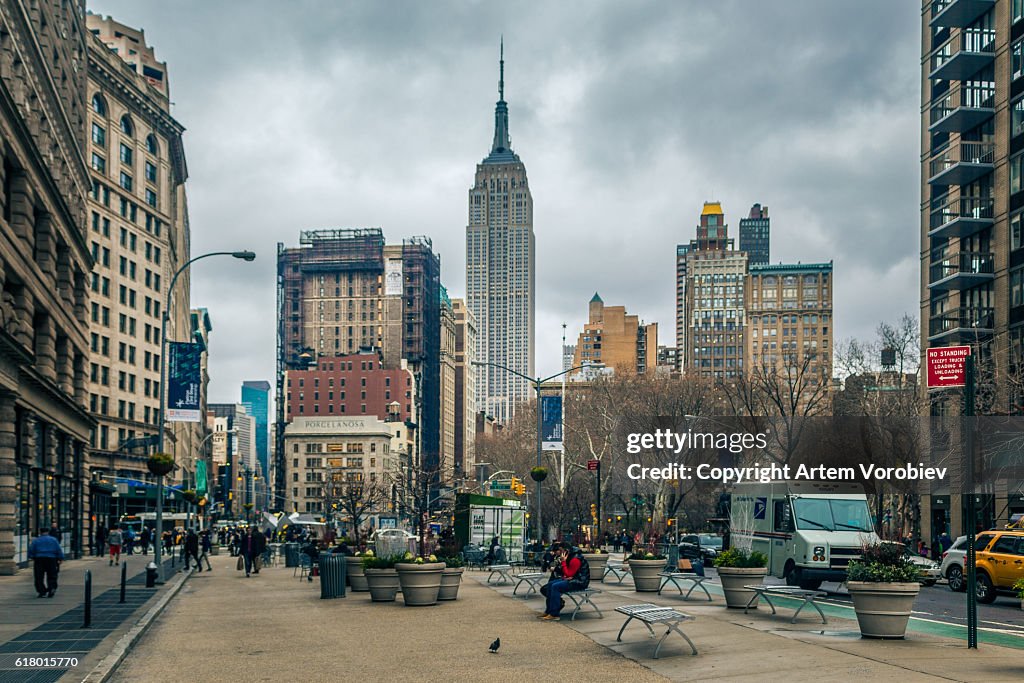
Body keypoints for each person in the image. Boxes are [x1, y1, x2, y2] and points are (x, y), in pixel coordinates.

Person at [539, 543, 590, 621]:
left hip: (579, 582)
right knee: (550, 585)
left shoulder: (575, 559)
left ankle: (554, 614)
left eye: (561, 550)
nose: (559, 552)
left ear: (566, 551)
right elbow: (567, 573)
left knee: (555, 586)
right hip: (572, 579)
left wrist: (563, 562)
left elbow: (569, 573)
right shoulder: (569, 557)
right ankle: (549, 610)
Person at [28, 528, 64, 598]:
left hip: (39, 559)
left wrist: (32, 557)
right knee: (52, 575)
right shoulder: (54, 540)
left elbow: (31, 550)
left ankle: (41, 591)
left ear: (40, 532)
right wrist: (60, 558)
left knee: (39, 576)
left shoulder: (36, 540)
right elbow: (58, 549)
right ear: (48, 532)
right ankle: (51, 588)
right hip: (51, 559)